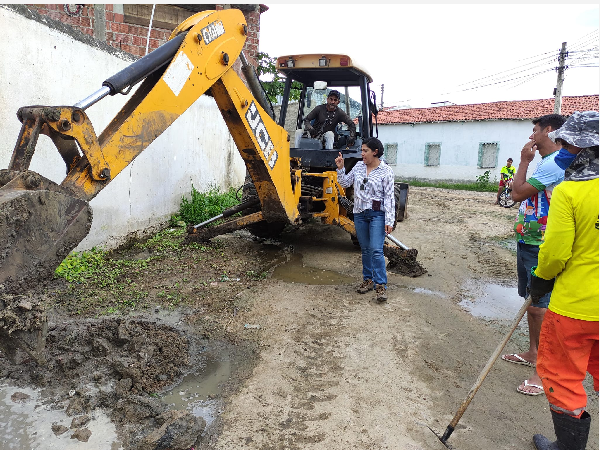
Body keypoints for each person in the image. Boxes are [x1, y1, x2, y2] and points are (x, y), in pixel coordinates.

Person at [528, 111, 599, 450]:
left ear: (587, 149)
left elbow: (555, 253)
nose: (561, 149)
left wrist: (540, 280)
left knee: (562, 376)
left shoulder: (570, 192)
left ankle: (567, 447)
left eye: (568, 144)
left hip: (576, 308)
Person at [501, 113, 575, 396]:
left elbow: (516, 193)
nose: (531, 135)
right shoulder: (546, 162)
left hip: (543, 243)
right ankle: (533, 353)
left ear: (549, 131)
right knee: (533, 303)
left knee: (542, 305)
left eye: (535, 130)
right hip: (528, 238)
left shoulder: (556, 163)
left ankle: (542, 370)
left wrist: (522, 162)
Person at [334, 137, 394, 302]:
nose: (362, 154)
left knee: (376, 249)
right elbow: (345, 183)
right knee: (366, 249)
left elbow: (389, 198)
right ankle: (368, 280)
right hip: (359, 214)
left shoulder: (386, 171)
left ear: (375, 152)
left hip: (377, 215)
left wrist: (389, 220)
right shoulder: (359, 167)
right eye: (361, 150)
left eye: (365, 151)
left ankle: (380, 286)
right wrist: (340, 168)